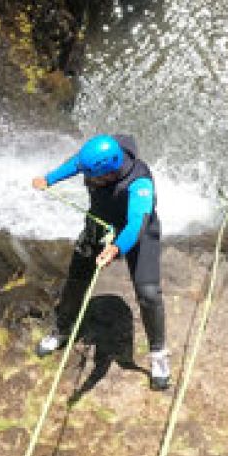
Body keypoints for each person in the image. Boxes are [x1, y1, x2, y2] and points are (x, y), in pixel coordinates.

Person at [31, 134, 170, 391]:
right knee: (76, 280)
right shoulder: (99, 160)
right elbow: (76, 163)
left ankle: (159, 355)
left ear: (109, 173)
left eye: (91, 177)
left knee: (149, 293)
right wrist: (49, 179)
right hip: (99, 225)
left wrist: (116, 248)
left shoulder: (140, 183)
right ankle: (62, 330)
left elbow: (137, 223)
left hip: (136, 233)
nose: (86, 180)